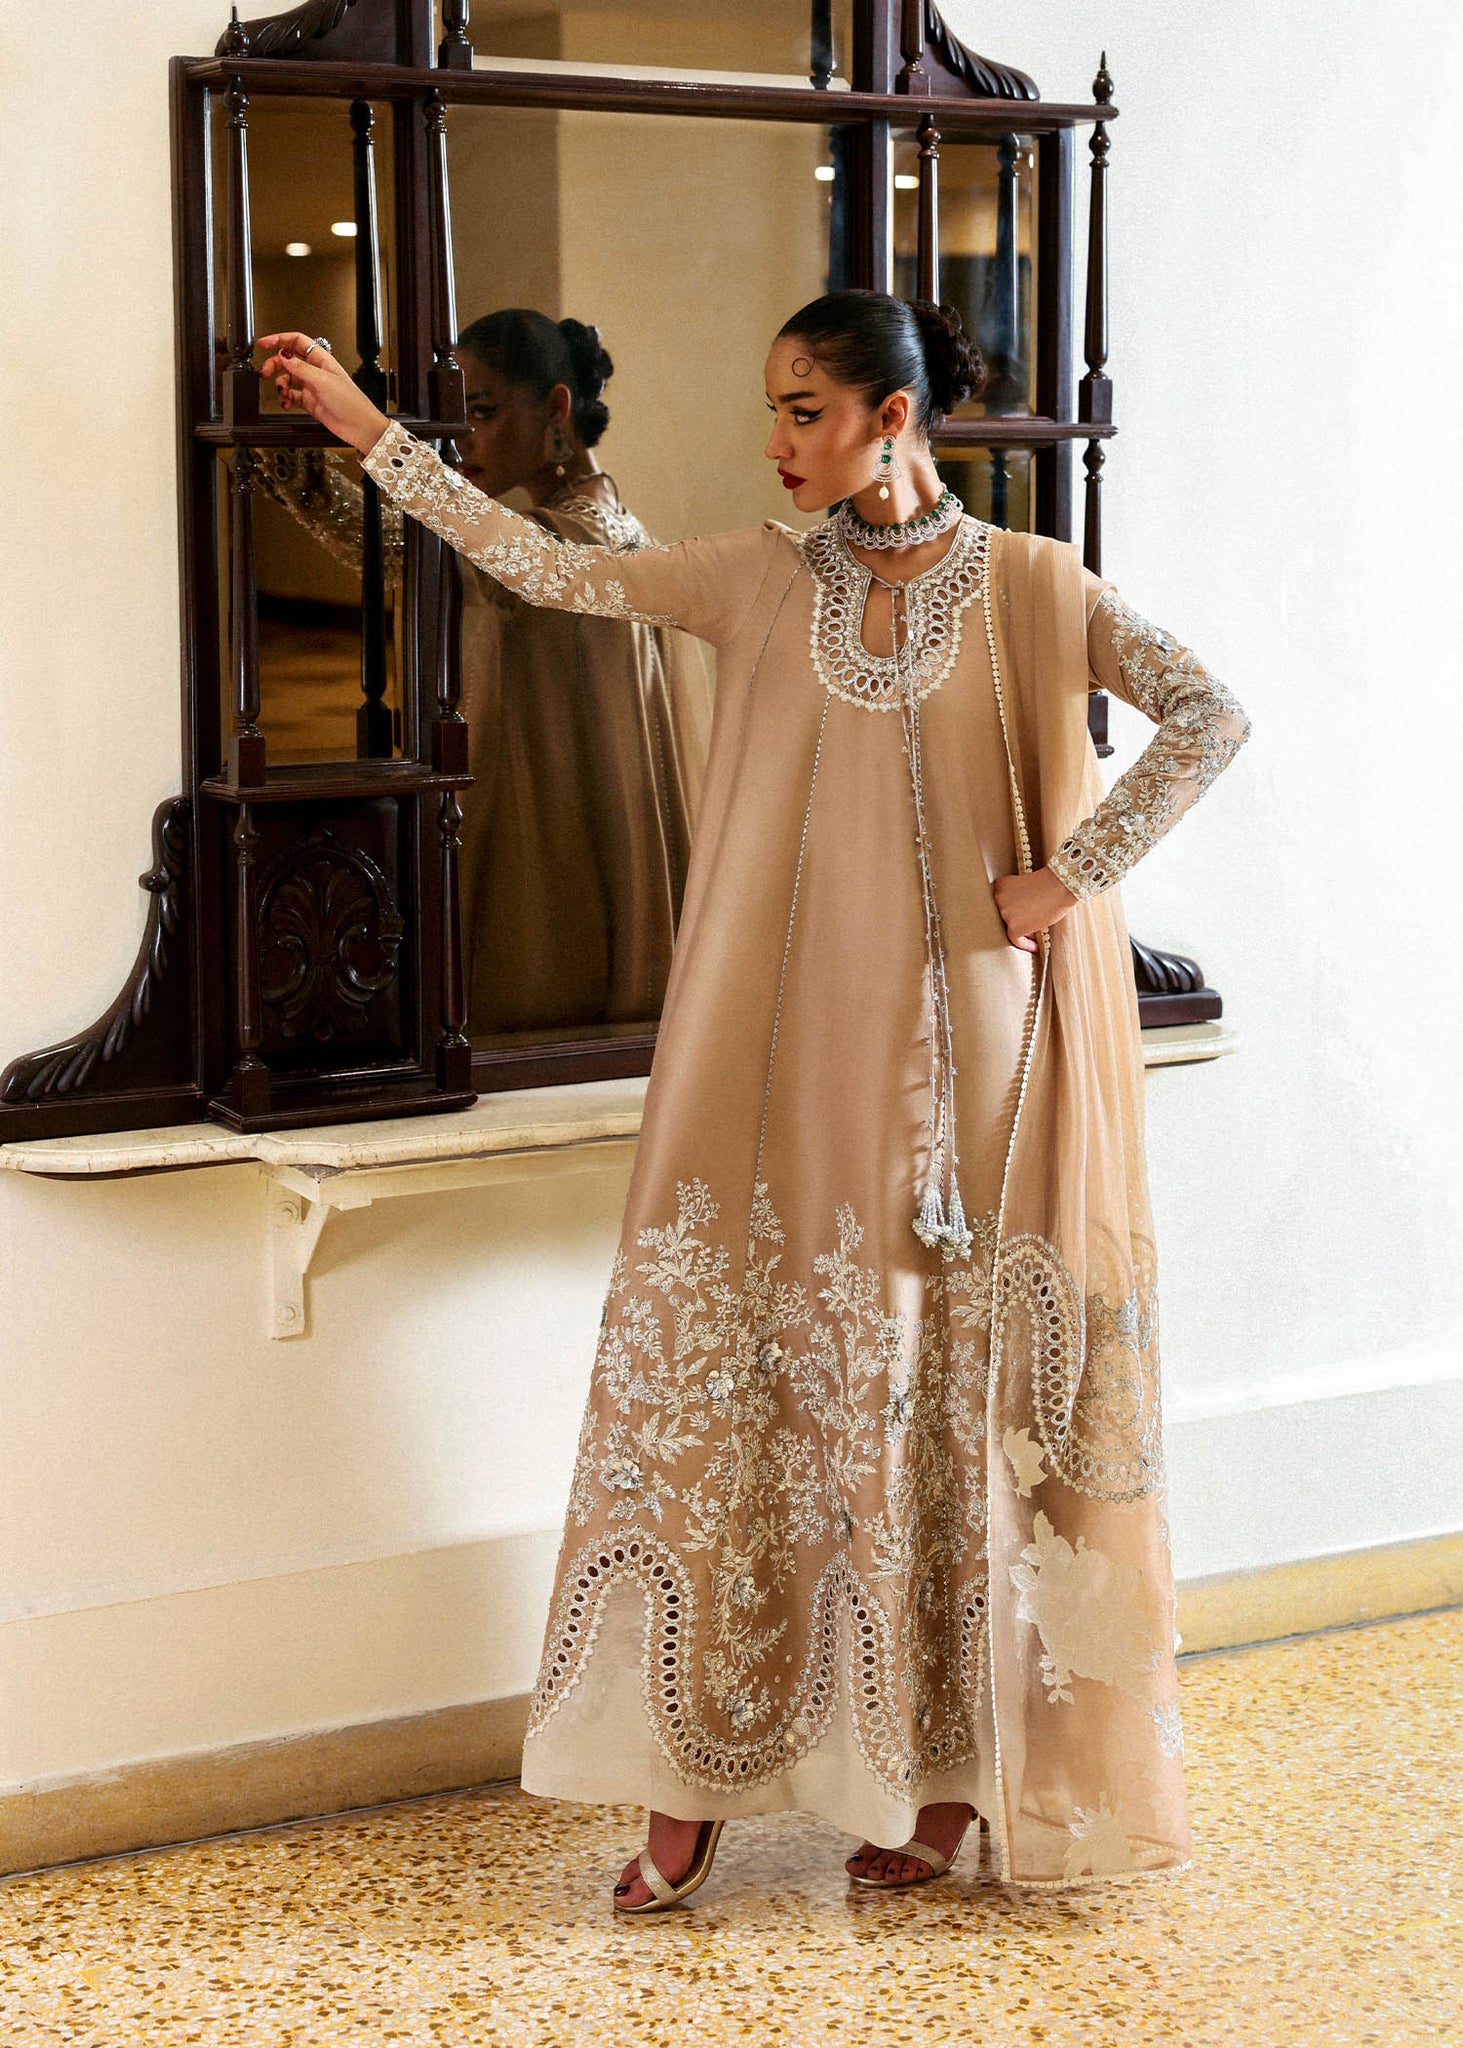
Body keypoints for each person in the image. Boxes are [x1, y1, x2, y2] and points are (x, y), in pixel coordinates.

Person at [259, 292, 1250, 1905]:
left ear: (891, 416)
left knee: (936, 1402)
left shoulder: (1029, 585)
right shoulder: (754, 576)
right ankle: (693, 1767)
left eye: (804, 411)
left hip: (971, 1074)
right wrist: (378, 441)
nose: (775, 441)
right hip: (778, 1057)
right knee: (752, 1384)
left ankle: (936, 1779)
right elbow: (548, 569)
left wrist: (1064, 878)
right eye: (770, 409)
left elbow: (1207, 713)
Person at [259, 311, 711, 1036]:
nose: (461, 437)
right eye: (454, 415)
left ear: (556, 409)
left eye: (483, 411)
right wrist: (303, 451)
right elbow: (416, 551)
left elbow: (444, 553)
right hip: (569, 821)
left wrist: (366, 437)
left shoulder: (577, 535)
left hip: (564, 839)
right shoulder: (579, 523)